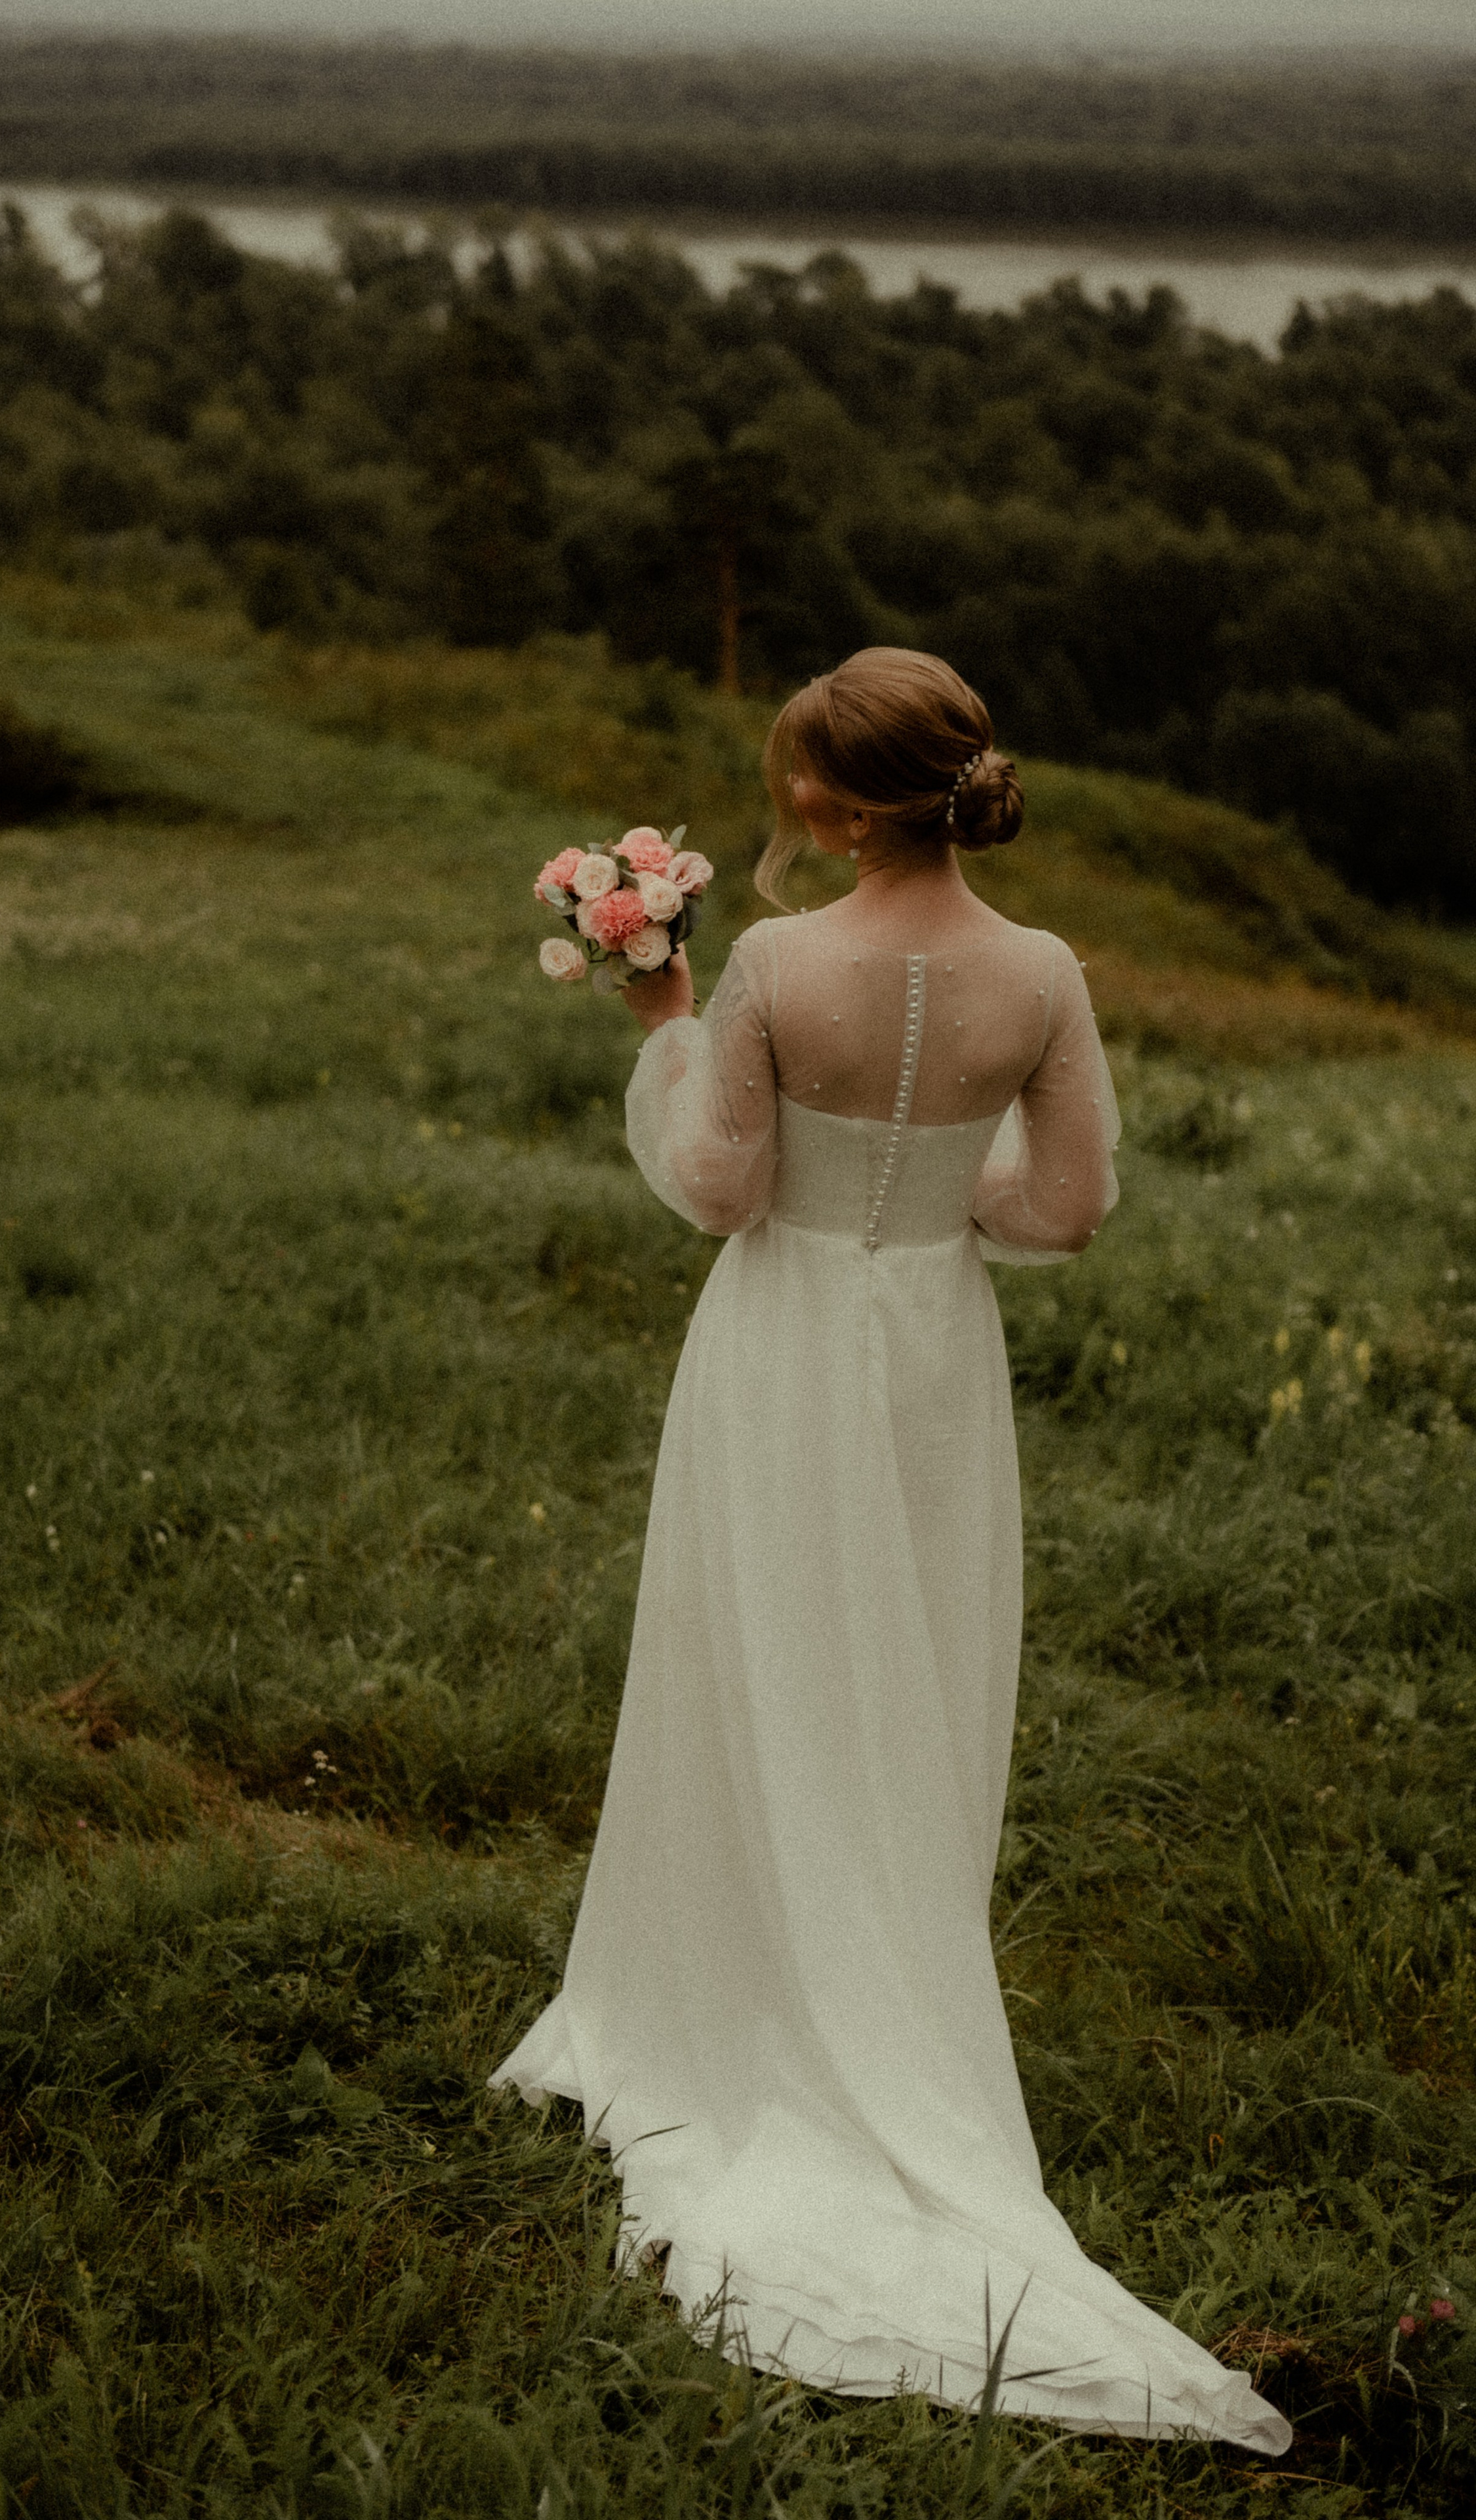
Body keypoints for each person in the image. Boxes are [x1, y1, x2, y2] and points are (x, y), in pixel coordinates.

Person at [490, 648, 1290, 2453]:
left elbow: (720, 1190)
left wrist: (659, 1020)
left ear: (833, 806)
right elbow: (1069, 1206)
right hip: (934, 1356)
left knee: (754, 1646)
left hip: (778, 1348)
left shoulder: (773, 964)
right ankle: (883, 1971)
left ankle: (743, 1995)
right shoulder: (1046, 973)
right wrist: (939, 1214)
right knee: (908, 1674)